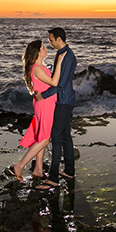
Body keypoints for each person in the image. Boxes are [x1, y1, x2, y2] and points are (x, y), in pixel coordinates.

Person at [5, 39, 65, 182]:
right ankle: (19, 166)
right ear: (37, 52)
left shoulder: (39, 66)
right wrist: (60, 62)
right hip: (44, 105)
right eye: (43, 47)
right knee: (44, 140)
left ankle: (38, 170)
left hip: (45, 104)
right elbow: (54, 83)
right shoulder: (36, 68)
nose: (46, 49)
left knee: (41, 137)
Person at [34, 27, 76, 191]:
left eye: (51, 40)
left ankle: (53, 178)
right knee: (65, 135)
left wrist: (43, 95)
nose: (50, 43)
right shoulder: (61, 54)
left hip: (64, 101)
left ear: (59, 39)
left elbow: (60, 84)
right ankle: (69, 171)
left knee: (56, 136)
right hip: (64, 100)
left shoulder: (67, 56)